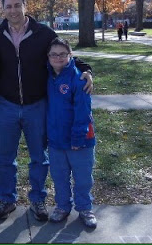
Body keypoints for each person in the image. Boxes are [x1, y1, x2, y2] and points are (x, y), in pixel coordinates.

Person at [0, 0, 93, 222]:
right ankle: (7, 199)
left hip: (37, 105)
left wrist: (86, 70)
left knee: (39, 156)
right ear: (3, 10)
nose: (13, 10)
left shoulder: (43, 33)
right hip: (7, 106)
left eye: (17, 5)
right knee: (6, 157)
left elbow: (63, 54)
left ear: (25, 7)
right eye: (8, 6)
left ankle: (38, 198)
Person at [45, 38, 97, 228]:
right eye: (53, 54)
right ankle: (62, 206)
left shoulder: (79, 78)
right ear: (48, 57)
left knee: (82, 177)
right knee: (59, 176)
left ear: (70, 55)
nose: (58, 58)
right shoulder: (48, 77)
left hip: (80, 140)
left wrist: (78, 138)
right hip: (56, 139)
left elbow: (83, 111)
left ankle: (85, 207)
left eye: (62, 54)